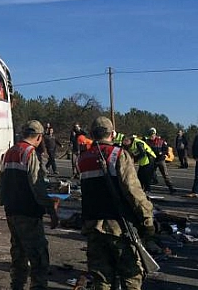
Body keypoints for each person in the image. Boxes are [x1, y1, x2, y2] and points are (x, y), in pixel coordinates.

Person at [77, 117, 154, 290]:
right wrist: (147, 220)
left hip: (93, 225)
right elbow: (134, 191)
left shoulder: (82, 159)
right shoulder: (118, 154)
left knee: (101, 279)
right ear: (112, 134)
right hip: (119, 226)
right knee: (131, 275)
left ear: (91, 134)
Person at [0, 120, 56, 290]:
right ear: (39, 137)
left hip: (11, 211)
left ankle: (16, 286)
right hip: (28, 213)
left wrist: (2, 200)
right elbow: (37, 186)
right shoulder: (30, 154)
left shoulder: (9, 152)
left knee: (18, 254)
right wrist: (50, 209)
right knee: (38, 259)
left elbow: (1, 181)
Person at [144, 128, 176, 194]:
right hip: (152, 160)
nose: (151, 136)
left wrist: (163, 153)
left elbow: (166, 149)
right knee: (149, 174)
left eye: (153, 135)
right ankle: (148, 188)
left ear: (155, 134)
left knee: (165, 174)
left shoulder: (161, 141)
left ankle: (171, 188)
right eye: (150, 135)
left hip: (160, 160)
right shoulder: (147, 142)